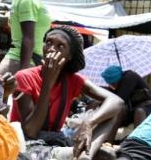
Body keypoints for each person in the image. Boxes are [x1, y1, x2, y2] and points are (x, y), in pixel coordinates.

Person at [10, 26, 124, 160]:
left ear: (69, 56)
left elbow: (117, 102)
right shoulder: (24, 77)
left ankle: (86, 156)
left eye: (60, 46)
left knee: (111, 116)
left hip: (56, 139)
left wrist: (89, 123)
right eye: (48, 42)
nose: (51, 49)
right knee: (105, 155)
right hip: (28, 144)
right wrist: (47, 82)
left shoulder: (72, 79)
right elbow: (31, 131)